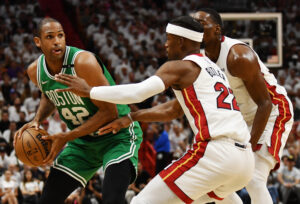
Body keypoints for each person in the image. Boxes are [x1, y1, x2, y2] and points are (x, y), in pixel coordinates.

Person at [54, 16, 254, 203]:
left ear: (181, 41)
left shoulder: (179, 66)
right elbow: (174, 110)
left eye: (169, 39)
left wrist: (90, 91)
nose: (166, 44)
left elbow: (140, 92)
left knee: (140, 202)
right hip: (244, 161)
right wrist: (133, 116)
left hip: (217, 153)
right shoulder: (213, 69)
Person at [13, 17, 143, 204]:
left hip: (116, 136)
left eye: (60, 35)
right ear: (37, 42)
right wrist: (37, 119)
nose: (57, 41)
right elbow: (49, 95)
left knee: (112, 199)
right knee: (48, 200)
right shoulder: (35, 71)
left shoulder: (83, 63)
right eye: (50, 37)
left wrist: (66, 137)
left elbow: (110, 112)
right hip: (83, 143)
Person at [193, 8, 294, 204]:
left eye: (201, 24)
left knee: (254, 179)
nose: (195, 28)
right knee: (219, 180)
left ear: (216, 30)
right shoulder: (201, 59)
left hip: (272, 111)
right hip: (240, 118)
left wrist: (246, 148)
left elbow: (265, 103)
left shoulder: (237, 55)